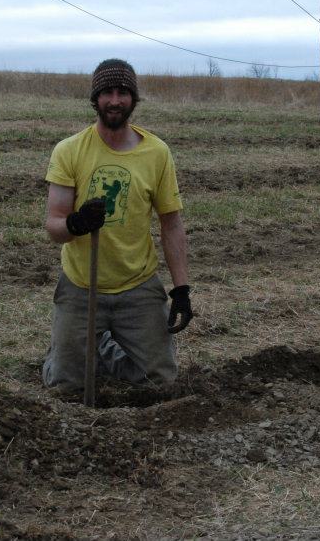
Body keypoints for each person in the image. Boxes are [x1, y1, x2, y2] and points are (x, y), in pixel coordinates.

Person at [42, 58, 193, 393]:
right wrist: (77, 223)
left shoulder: (157, 153)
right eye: (107, 92)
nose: (114, 100)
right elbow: (54, 227)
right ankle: (66, 352)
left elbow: (171, 223)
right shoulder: (69, 151)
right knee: (65, 387)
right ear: (95, 99)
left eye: (123, 92)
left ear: (133, 99)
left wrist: (181, 289)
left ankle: (103, 349)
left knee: (161, 384)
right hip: (82, 285)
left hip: (137, 286)